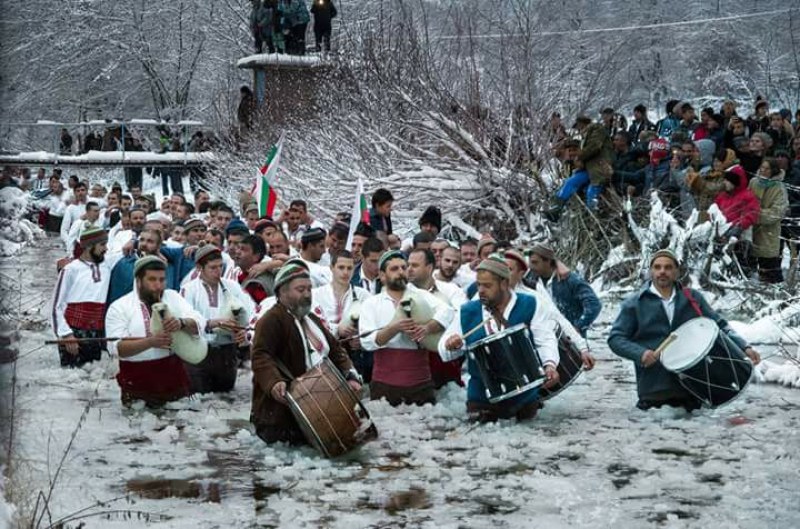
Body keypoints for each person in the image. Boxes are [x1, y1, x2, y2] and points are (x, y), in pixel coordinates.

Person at [608, 250, 760, 411]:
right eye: (657, 267)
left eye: (668, 267)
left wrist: (744, 346)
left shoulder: (693, 298)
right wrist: (640, 354)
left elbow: (720, 325)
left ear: (676, 272)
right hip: (654, 392)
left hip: (693, 392)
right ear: (651, 271)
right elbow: (616, 339)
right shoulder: (634, 304)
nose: (662, 272)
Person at [250, 262, 362, 445]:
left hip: (318, 409)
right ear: (282, 292)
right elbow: (260, 356)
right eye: (300, 290)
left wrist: (350, 375)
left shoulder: (311, 318)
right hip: (281, 416)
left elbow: (336, 350)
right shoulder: (271, 319)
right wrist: (274, 382)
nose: (307, 294)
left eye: (309, 289)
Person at [438, 256, 559, 422]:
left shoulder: (531, 304)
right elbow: (444, 351)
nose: (480, 290)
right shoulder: (467, 312)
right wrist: (451, 345)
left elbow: (545, 339)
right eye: (479, 284)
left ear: (503, 283)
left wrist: (550, 365)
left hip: (525, 398)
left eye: (487, 285)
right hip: (481, 399)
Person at [359, 251, 454, 406]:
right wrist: (394, 328)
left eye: (403, 267)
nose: (401, 272)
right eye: (394, 269)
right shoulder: (371, 303)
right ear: (382, 276)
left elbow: (448, 312)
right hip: (385, 386)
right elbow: (366, 342)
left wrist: (427, 328)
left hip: (420, 385)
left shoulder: (422, 296)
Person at [106, 256, 203, 407]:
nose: (158, 286)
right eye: (152, 279)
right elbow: (116, 348)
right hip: (137, 384)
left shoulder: (173, 297)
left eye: (162, 279)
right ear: (138, 281)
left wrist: (181, 323)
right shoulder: (119, 307)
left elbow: (198, 321)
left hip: (174, 380)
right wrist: (150, 342)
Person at [180, 245, 254, 392]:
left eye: (221, 266)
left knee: (226, 399)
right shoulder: (188, 289)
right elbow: (183, 321)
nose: (218, 271)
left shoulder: (233, 287)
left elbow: (250, 312)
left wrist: (243, 331)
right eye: (212, 267)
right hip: (198, 353)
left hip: (227, 353)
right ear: (200, 267)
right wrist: (212, 323)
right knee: (199, 401)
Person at [51, 228, 123, 367]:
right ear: (89, 246)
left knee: (92, 375)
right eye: (102, 245)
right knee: (72, 380)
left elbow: (125, 252)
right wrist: (66, 335)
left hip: (97, 332)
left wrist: (133, 242)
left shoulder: (107, 264)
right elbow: (56, 306)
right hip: (74, 333)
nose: (106, 249)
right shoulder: (70, 270)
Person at [524, 245, 600, 369]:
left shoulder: (571, 280)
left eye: (535, 262)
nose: (531, 266)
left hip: (571, 342)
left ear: (547, 262)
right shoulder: (531, 280)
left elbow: (594, 305)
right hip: (546, 340)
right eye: (530, 262)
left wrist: (578, 325)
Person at [407, 248, 467, 388]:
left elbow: (462, 317)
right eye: (408, 265)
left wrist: (430, 327)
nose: (409, 269)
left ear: (429, 268)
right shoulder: (403, 292)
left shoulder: (451, 290)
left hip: (445, 360)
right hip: (413, 363)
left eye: (415, 265)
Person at [312, 250, 373, 381]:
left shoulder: (364, 295)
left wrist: (362, 340)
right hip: (325, 357)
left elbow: (373, 326)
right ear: (331, 268)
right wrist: (337, 329)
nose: (345, 272)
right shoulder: (316, 295)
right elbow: (311, 327)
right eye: (341, 267)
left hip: (354, 357)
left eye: (349, 268)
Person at [545, 115, 613, 220]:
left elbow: (594, 146)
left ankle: (594, 220)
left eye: (579, 128)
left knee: (591, 192)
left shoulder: (597, 129)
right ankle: (556, 209)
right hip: (588, 169)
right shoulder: (586, 136)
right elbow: (578, 145)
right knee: (570, 182)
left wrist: (579, 158)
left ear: (582, 124)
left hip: (600, 168)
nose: (579, 131)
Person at [748, 158, 789, 283]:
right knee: (751, 271)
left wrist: (756, 215)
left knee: (770, 271)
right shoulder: (753, 182)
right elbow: (746, 200)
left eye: (767, 169)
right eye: (762, 167)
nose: (763, 171)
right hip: (751, 232)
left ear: (774, 171)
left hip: (768, 234)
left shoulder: (779, 188)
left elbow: (777, 212)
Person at [106, 228, 164, 308]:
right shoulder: (123, 263)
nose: (144, 244)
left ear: (158, 246)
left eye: (150, 241)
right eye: (142, 240)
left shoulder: (163, 268)